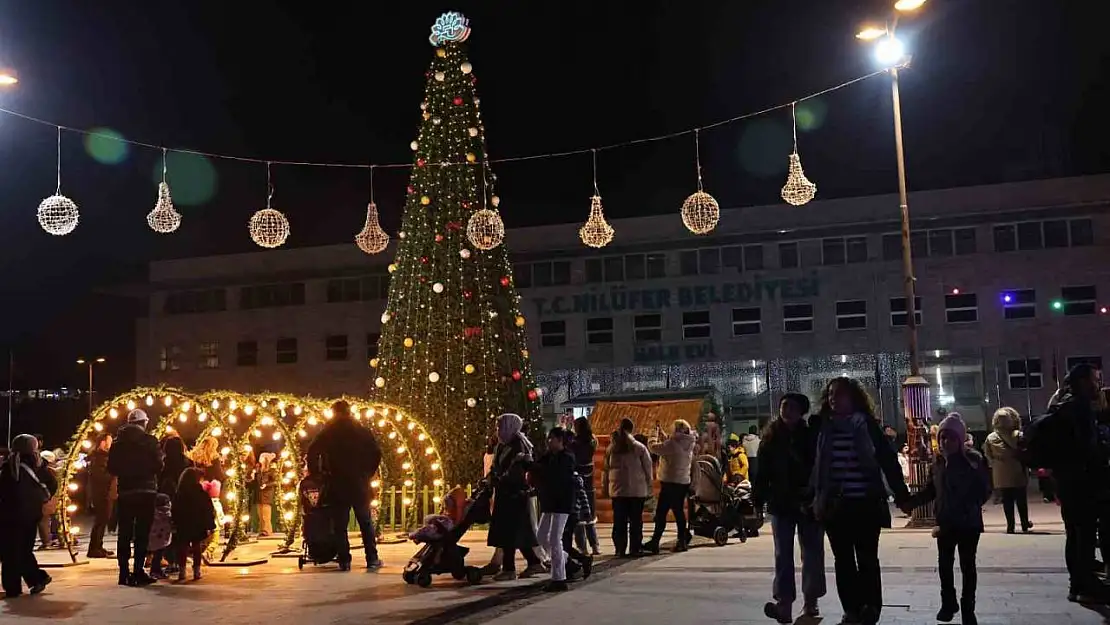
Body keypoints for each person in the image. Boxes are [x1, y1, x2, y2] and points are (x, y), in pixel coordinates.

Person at [809, 377, 909, 625]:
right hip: (835, 505)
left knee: (867, 558)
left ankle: (871, 607)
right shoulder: (822, 427)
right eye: (831, 394)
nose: (834, 398)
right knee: (843, 561)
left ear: (853, 397)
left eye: (840, 394)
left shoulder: (867, 426)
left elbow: (887, 460)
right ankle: (851, 610)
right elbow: (811, 465)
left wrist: (901, 494)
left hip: (865, 504)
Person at [1028, 364, 1110, 603]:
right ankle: (1085, 586)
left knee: (1074, 534)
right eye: (1095, 379)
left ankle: (1077, 585)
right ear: (1083, 381)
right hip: (1081, 482)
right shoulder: (1079, 408)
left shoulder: (1061, 405)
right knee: (1082, 536)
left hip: (1066, 480)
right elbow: (1088, 448)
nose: (1098, 383)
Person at [902, 414, 991, 625]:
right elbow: (931, 490)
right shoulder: (939, 462)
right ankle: (948, 603)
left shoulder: (974, 460)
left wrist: (970, 506)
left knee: (968, 566)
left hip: (968, 523)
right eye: (942, 438)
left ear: (959, 439)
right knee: (944, 565)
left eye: (950, 438)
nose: (945, 442)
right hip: (945, 522)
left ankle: (968, 607)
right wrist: (911, 503)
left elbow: (984, 489)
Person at [753, 392, 825, 623]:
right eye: (784, 405)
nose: (787, 410)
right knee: (782, 554)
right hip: (781, 503)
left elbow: (819, 466)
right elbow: (762, 474)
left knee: (812, 553)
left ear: (801, 411)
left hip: (808, 502)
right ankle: (784, 604)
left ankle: (811, 602)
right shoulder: (771, 438)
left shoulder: (811, 435)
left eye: (792, 407)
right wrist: (757, 500)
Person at [305, 400, 383, 571]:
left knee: (340, 525)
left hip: (337, 482)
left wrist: (316, 473)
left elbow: (312, 450)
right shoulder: (361, 430)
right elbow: (376, 452)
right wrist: (367, 472)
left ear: (334, 412)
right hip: (359, 482)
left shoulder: (329, 430)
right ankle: (372, 558)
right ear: (349, 412)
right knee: (365, 522)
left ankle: (344, 560)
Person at [108, 409, 163, 587]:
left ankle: (123, 573)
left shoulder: (117, 443)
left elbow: (112, 468)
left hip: (125, 491)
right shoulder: (150, 441)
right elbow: (158, 465)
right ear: (144, 423)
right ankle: (138, 571)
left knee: (124, 533)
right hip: (146, 491)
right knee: (142, 534)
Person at [486, 413, 545, 580]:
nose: (497, 431)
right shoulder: (502, 445)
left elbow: (518, 471)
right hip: (504, 494)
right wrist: (490, 479)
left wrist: (502, 478)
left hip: (515, 494)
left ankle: (509, 569)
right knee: (514, 533)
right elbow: (495, 467)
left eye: (499, 427)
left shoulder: (519, 445)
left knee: (512, 532)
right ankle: (533, 563)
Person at [0, 434, 55, 597]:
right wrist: (42, 500)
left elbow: (4, 491)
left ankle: (14, 587)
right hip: (31, 514)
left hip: (11, 515)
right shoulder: (39, 465)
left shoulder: (10, 466)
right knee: (23, 549)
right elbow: (52, 484)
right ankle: (36, 579)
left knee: (10, 551)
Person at [533, 426, 576, 592]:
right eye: (548, 438)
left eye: (552, 438)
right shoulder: (548, 456)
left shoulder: (567, 458)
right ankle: (567, 561)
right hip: (549, 502)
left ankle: (559, 579)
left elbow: (557, 476)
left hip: (562, 503)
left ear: (560, 441)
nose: (548, 441)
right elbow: (538, 468)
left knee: (554, 538)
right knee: (541, 536)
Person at [644, 419, 696, 554]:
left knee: (663, 513)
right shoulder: (688, 442)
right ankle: (680, 539)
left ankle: (665, 541)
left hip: (670, 482)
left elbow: (654, 448)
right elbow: (670, 446)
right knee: (677, 511)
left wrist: (653, 435)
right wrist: (662, 434)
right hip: (682, 481)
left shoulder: (673, 444)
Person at [604, 418, 654, 558]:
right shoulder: (639, 448)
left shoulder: (612, 448)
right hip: (636, 491)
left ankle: (620, 549)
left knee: (619, 521)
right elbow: (648, 468)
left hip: (618, 492)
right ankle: (635, 548)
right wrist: (648, 484)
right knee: (636, 521)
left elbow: (606, 469)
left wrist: (607, 487)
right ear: (632, 429)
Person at [983, 406, 1032, 534]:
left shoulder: (991, 437)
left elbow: (988, 455)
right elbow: (1026, 451)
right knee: (1021, 500)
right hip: (1018, 472)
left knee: (1007, 501)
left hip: (1001, 475)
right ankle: (1025, 523)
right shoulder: (1018, 435)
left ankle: (1010, 526)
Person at [173, 467, 217, 582]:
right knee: (196, 546)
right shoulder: (201, 493)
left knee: (182, 547)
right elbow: (208, 509)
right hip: (197, 523)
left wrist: (174, 522)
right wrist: (210, 525)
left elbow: (175, 509)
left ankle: (182, 572)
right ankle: (196, 572)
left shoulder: (179, 493)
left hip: (183, 523)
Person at [570, 417, 600, 555]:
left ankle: (583, 548)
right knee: (589, 516)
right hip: (590, 484)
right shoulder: (592, 442)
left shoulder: (574, 444)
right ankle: (595, 546)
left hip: (577, 483)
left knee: (579, 518)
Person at [86, 432, 115, 559]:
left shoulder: (105, 457)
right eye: (109, 440)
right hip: (101, 493)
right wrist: (113, 474)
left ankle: (99, 546)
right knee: (100, 520)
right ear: (103, 442)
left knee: (104, 520)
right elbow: (100, 476)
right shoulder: (98, 457)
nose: (111, 443)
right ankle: (94, 548)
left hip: (106, 492)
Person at [255, 452, 277, 537]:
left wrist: (266, 485)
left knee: (266, 514)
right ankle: (261, 529)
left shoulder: (271, 470)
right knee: (260, 513)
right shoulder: (259, 470)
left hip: (267, 494)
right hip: (259, 493)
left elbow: (275, 481)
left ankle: (267, 530)